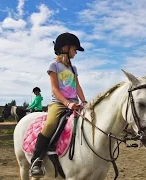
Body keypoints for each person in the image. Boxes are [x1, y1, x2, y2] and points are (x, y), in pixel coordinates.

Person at [29, 32, 87, 177]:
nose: (76, 53)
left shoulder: (74, 69)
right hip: (59, 104)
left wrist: (84, 101)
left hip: (74, 104)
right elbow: (55, 89)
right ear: (65, 48)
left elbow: (77, 87)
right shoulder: (54, 65)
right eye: (74, 49)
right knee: (50, 124)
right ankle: (36, 160)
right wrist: (67, 103)